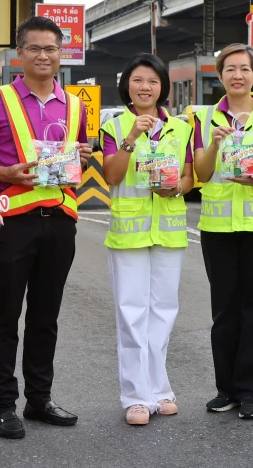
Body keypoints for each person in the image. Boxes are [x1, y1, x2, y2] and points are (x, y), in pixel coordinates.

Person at [0, 16, 91, 439]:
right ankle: (3, 405)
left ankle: (39, 399)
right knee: (5, 314)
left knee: (46, 315)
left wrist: (82, 157)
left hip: (60, 221)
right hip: (11, 224)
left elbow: (76, 156)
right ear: (19, 53)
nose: (44, 56)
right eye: (35, 48)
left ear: (62, 54)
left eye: (51, 49)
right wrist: (5, 171)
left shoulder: (76, 106)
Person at [193, 44, 253, 420]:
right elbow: (200, 174)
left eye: (244, 69)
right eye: (229, 69)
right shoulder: (203, 119)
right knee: (225, 310)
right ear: (219, 76)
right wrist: (214, 146)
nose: (237, 75)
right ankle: (226, 389)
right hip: (218, 227)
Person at [100, 54, 194, 425]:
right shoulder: (115, 126)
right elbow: (111, 175)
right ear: (128, 86)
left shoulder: (182, 128)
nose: (145, 87)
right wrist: (132, 137)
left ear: (162, 87)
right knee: (131, 313)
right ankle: (136, 397)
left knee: (164, 313)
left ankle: (160, 389)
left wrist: (177, 188)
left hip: (169, 232)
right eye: (138, 80)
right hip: (129, 234)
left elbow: (189, 177)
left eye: (152, 81)